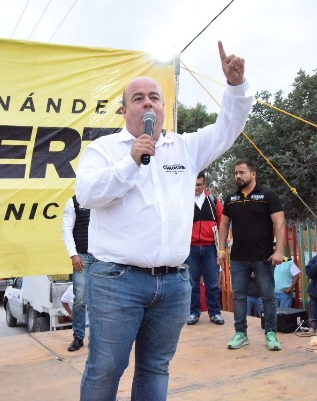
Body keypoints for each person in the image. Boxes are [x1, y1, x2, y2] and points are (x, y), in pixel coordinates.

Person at [74, 41, 253, 401]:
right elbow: (88, 195)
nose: (148, 103)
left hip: (173, 283)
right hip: (117, 281)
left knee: (156, 367)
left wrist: (235, 87)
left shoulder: (184, 148)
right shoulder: (103, 150)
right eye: (138, 98)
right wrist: (130, 161)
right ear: (124, 110)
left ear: (163, 108)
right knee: (106, 367)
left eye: (154, 97)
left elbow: (227, 128)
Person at [217, 158, 286, 351]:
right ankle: (241, 333)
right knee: (239, 296)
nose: (238, 176)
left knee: (268, 296)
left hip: (263, 256)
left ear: (253, 174)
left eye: (242, 172)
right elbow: (223, 224)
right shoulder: (231, 198)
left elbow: (279, 223)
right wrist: (221, 250)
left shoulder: (267, 195)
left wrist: (279, 251)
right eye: (236, 173)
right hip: (238, 257)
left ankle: (270, 333)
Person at [186, 172, 224, 326]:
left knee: (212, 283)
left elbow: (222, 223)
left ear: (205, 184)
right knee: (192, 283)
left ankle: (215, 313)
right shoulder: (185, 200)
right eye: (193, 184)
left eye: (199, 185)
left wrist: (222, 248)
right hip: (191, 247)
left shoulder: (213, 201)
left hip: (210, 247)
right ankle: (193, 313)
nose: (196, 187)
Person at [61, 195, 94, 352]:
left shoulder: (105, 197)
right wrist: (73, 254)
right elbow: (66, 229)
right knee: (80, 299)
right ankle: (78, 337)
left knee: (102, 300)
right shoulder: (73, 202)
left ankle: (98, 338)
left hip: (103, 257)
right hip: (82, 256)